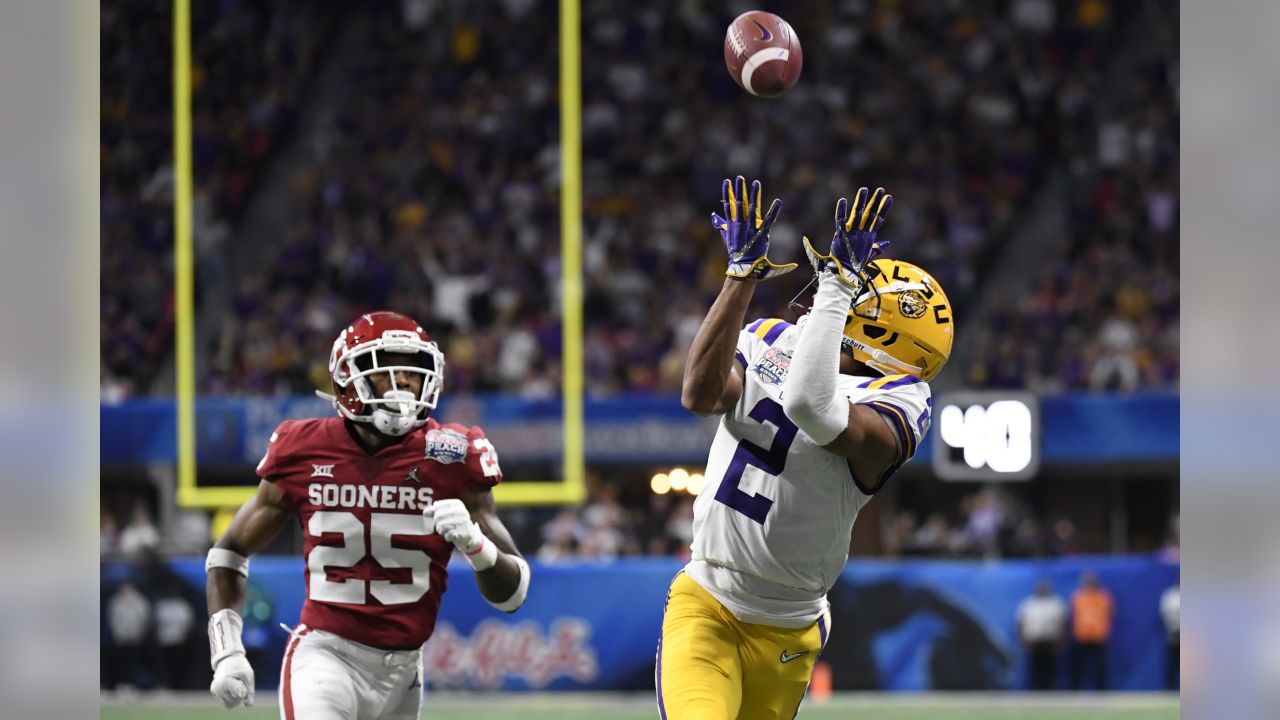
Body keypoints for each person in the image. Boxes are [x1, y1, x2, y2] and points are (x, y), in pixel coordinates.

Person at [658, 177, 953, 719]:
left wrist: (840, 287)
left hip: (790, 627)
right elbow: (699, 394)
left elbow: (813, 410)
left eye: (850, 290)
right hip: (707, 600)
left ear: (878, 333)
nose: (824, 291)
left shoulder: (902, 402)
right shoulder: (774, 338)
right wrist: (738, 278)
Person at [205, 311, 530, 718]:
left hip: (405, 673)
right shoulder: (301, 448)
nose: (407, 384)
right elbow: (228, 553)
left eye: (415, 372)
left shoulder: (453, 455)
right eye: (389, 373)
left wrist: (477, 547)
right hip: (325, 658)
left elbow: (514, 594)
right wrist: (227, 651)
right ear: (350, 378)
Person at [1016, 580, 1067, 690]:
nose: (1042, 590)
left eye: (1044, 588)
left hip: (1050, 640)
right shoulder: (1029, 604)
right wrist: (1022, 639)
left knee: (1050, 668)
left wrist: (1061, 640)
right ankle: (1035, 691)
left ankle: (1050, 690)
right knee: (1035, 668)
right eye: (1040, 588)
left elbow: (1062, 623)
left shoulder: (1056, 603)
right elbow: (1021, 622)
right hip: (1034, 640)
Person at [1069, 570, 1114, 690]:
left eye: (1091, 581)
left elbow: (1108, 613)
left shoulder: (1103, 597)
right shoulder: (1078, 597)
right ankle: (1075, 690)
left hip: (1098, 636)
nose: (1089, 583)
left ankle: (1102, 690)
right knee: (1078, 667)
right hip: (1081, 636)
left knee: (1100, 667)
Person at [1160, 583, 1180, 690]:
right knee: (1172, 664)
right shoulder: (1170, 595)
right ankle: (1169, 689)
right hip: (1174, 632)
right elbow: (1165, 613)